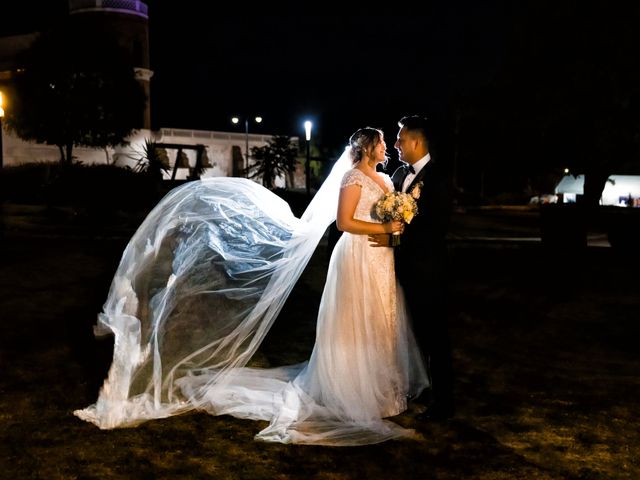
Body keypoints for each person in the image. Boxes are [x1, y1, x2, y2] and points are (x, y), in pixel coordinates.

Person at [74, 126, 428, 446]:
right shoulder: (352, 177)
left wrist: (396, 222)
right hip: (357, 257)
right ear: (368, 148)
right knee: (355, 322)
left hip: (382, 260)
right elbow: (344, 221)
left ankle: (384, 392)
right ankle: (353, 391)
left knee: (381, 320)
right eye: (383, 143)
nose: (387, 147)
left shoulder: (384, 178)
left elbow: (389, 213)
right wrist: (385, 230)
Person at [369, 115, 455, 420]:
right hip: (398, 269)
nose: (396, 145)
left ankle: (443, 402)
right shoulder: (398, 173)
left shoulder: (439, 176)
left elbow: (437, 226)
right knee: (407, 333)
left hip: (428, 270)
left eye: (400, 139)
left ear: (416, 141)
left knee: (435, 336)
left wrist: (399, 233)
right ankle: (416, 387)